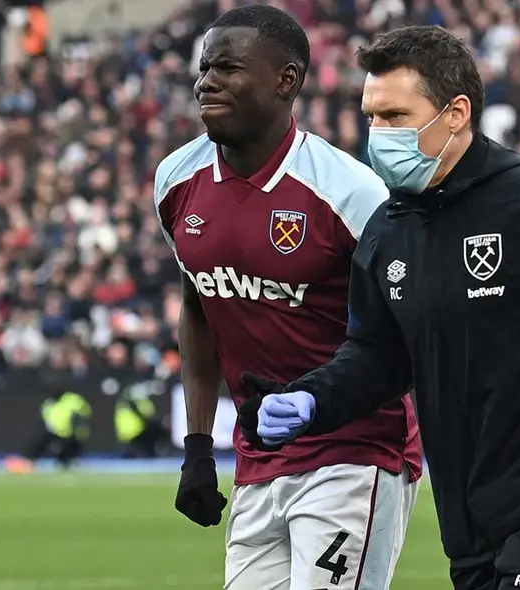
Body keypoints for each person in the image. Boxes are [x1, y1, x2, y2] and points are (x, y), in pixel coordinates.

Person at [247, 26, 520, 590]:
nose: (377, 134)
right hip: (468, 523)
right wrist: (312, 397)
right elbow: (379, 357)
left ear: (456, 113)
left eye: (396, 116)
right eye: (372, 116)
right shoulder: (387, 231)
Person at [152, 6, 423, 589]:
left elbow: (408, 334)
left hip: (356, 448)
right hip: (259, 456)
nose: (208, 81)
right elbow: (199, 309)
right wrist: (198, 445)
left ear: (287, 80)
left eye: (228, 67)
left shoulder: (351, 192)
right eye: (204, 68)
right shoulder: (176, 181)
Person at [6, 387, 92, 473]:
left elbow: (83, 413)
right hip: (56, 431)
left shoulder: (72, 400)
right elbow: (47, 417)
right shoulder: (49, 404)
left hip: (71, 434)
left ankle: (67, 461)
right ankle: (28, 461)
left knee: (67, 451)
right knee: (39, 443)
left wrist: (78, 429)